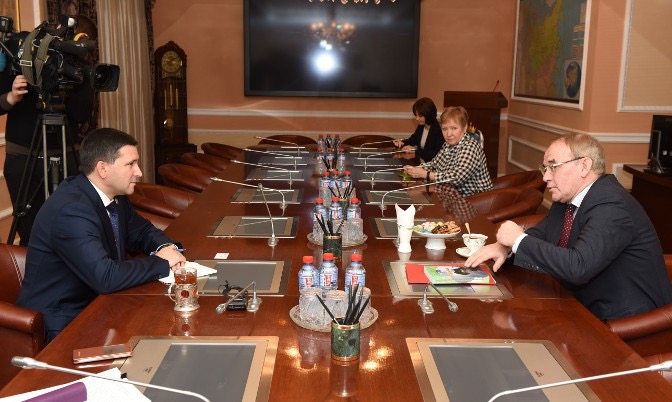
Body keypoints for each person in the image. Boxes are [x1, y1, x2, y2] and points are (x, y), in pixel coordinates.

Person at [465, 133, 672, 321]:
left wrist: (518, 240)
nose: (545, 177)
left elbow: (578, 267)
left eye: (553, 166)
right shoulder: (567, 199)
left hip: (624, 321)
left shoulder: (612, 204)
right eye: (544, 168)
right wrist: (506, 248)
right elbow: (540, 234)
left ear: (584, 166)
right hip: (577, 305)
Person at [17, 128, 187, 342]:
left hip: (103, 304)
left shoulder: (114, 195)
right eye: (131, 164)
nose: (139, 172)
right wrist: (162, 262)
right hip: (63, 322)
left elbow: (142, 231)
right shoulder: (72, 210)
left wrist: (166, 248)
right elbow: (105, 277)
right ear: (103, 169)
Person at [0, 15, 97, 245]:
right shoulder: (22, 58)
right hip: (24, 159)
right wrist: (11, 97)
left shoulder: (78, 69)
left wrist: (70, 84)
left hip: (66, 153)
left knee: (72, 228)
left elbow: (81, 114)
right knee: (31, 231)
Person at [402, 106, 493, 197]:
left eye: (454, 128)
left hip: (475, 199)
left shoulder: (470, 147)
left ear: (464, 128)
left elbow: (456, 178)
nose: (448, 134)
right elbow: (434, 164)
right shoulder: (447, 144)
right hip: (452, 195)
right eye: (444, 129)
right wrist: (414, 170)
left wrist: (425, 174)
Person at [393, 97, 443, 162]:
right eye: (416, 115)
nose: (417, 119)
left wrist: (415, 150)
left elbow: (435, 155)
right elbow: (412, 140)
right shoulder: (421, 126)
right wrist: (402, 143)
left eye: (420, 116)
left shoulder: (439, 130)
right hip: (421, 163)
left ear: (428, 114)